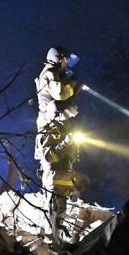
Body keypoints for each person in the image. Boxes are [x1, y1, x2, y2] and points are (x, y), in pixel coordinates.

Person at [34, 46, 83, 236]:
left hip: (57, 127)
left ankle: (58, 222)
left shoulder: (55, 73)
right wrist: (72, 85)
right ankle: (52, 226)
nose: (66, 64)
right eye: (64, 60)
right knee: (54, 175)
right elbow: (60, 95)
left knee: (63, 175)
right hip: (50, 128)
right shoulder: (49, 73)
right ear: (57, 59)